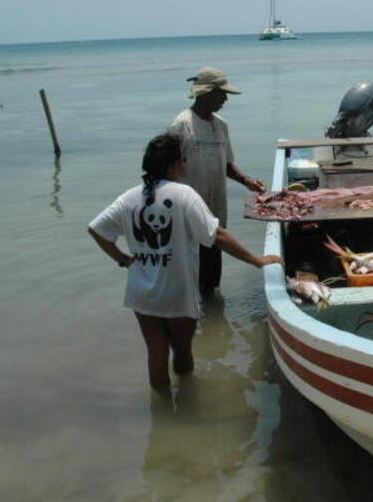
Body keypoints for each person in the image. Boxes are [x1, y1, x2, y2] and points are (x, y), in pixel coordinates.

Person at [88, 133, 281, 401]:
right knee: (182, 351)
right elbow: (217, 236)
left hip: (141, 294)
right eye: (183, 159)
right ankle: (188, 402)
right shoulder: (184, 195)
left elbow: (96, 229)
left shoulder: (128, 198)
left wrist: (123, 259)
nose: (186, 164)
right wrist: (257, 260)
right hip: (177, 292)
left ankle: (165, 414)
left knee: (156, 356)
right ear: (172, 165)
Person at [168, 66, 266, 294]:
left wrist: (247, 182)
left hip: (215, 210)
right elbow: (167, 168)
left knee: (212, 271)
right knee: (191, 270)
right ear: (205, 93)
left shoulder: (221, 125)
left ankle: (214, 318)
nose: (225, 99)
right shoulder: (182, 125)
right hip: (187, 211)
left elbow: (226, 165)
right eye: (221, 94)